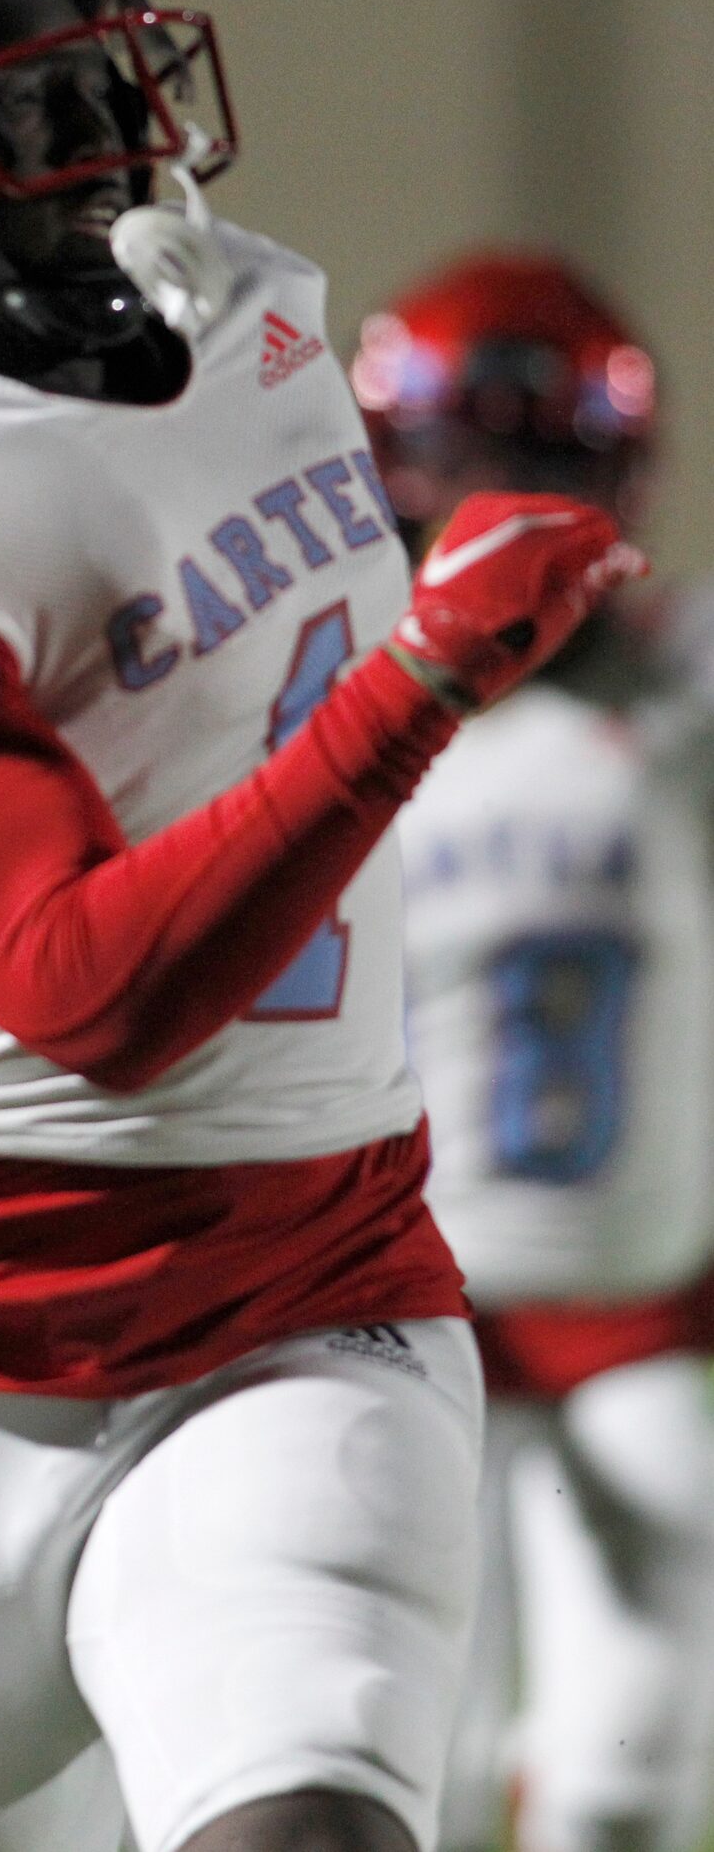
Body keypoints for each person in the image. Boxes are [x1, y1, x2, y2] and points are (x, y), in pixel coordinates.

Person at [0, 0, 644, 1851]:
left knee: (305, 1824)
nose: (107, 101)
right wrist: (422, 670)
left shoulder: (239, 306)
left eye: (89, 44)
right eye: (25, 76)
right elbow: (80, 985)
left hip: (306, 1288)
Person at [373, 254, 714, 1852]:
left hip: (643, 1303)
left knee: (628, 1788)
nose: (510, 507)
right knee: (398, 1780)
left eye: (549, 464)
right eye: (472, 461)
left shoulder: (680, 695)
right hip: (383, 1313)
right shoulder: (333, 709)